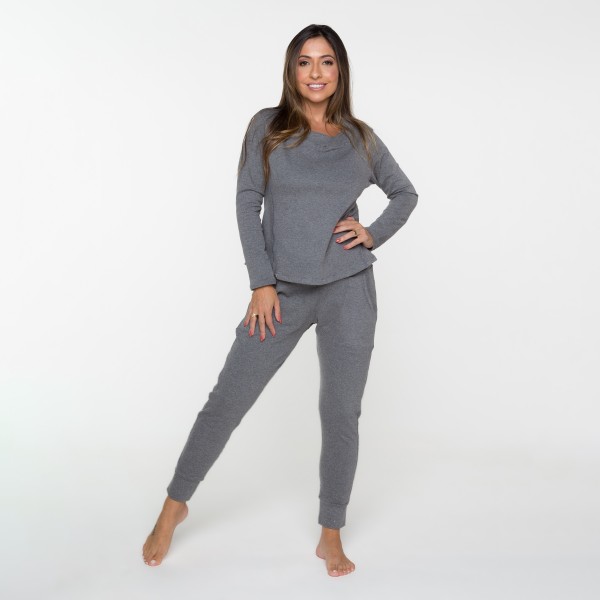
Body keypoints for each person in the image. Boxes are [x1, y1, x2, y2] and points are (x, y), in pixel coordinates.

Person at [142, 23, 418, 577]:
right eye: (305, 61)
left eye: (327, 61)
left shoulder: (360, 139)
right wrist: (261, 282)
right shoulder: (267, 127)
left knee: (340, 412)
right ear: (292, 70)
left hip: (348, 289)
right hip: (281, 292)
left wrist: (372, 234)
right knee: (228, 400)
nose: (316, 72)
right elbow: (247, 202)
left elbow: (405, 193)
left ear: (340, 71)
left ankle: (330, 532)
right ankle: (174, 505)